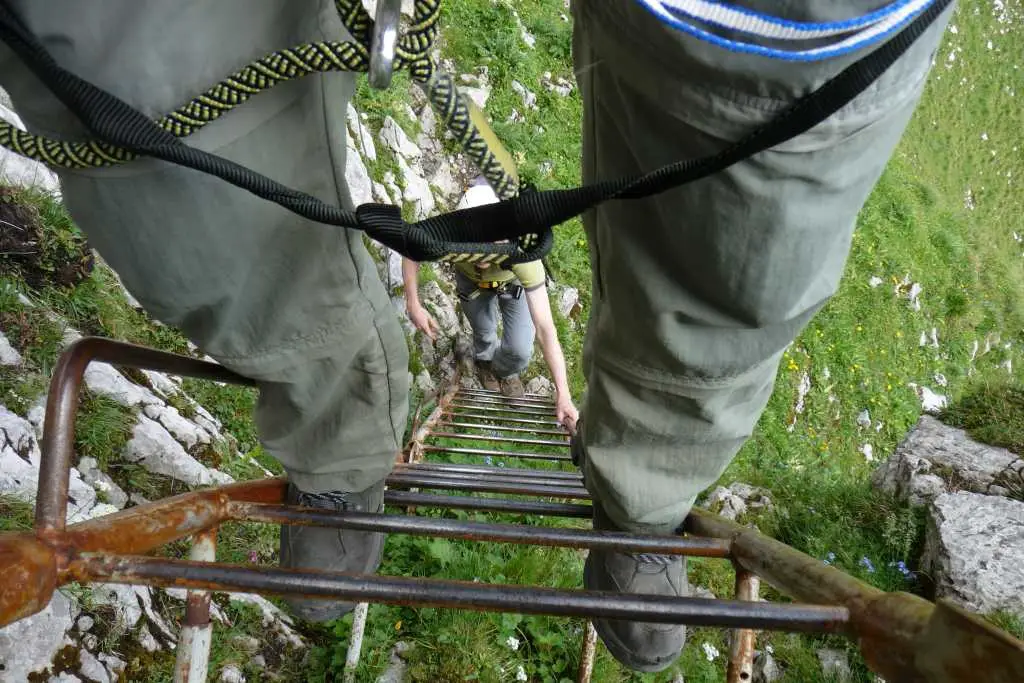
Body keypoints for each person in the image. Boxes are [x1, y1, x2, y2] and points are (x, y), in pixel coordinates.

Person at [0, 0, 952, 673]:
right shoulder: (466, 221)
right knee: (145, 65)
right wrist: (413, 303)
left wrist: (562, 394)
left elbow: (535, 315)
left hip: (494, 292)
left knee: (747, 174)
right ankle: (341, 432)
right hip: (465, 275)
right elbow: (418, 255)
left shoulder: (520, 263)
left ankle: (646, 488)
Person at [402, 183, 579, 428]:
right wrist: (413, 303)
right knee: (483, 331)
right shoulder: (448, 235)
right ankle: (485, 361)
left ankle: (505, 370)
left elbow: (546, 329)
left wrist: (564, 393)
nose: (483, 253)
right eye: (475, 243)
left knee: (519, 349)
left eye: (492, 244)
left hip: (513, 283)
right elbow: (411, 248)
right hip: (471, 284)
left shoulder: (523, 255)